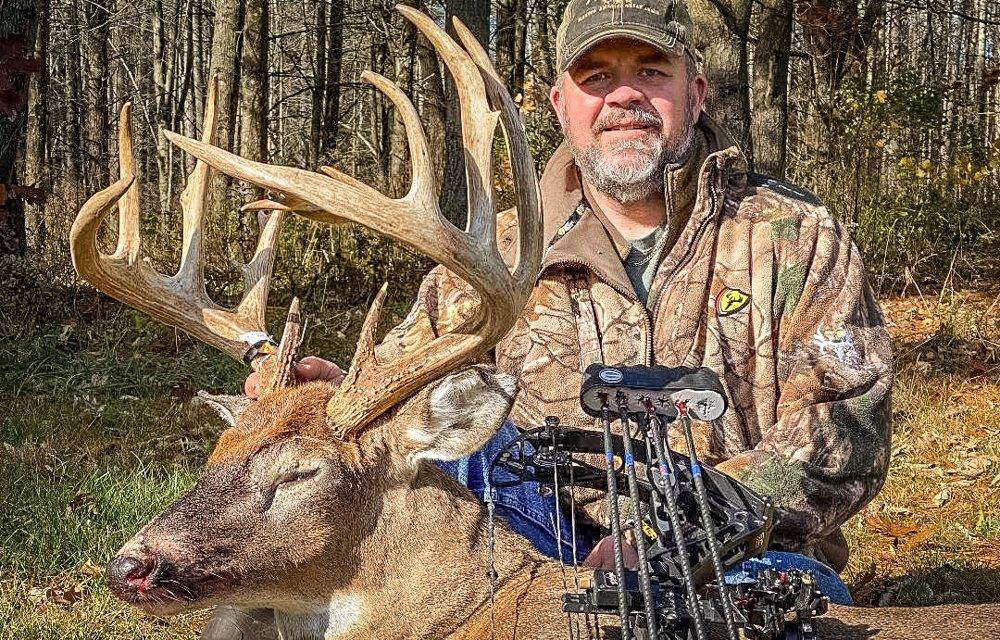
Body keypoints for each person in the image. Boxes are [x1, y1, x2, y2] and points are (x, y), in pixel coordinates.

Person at [219, 0, 891, 635]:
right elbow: (413, 401)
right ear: (560, 105)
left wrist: (668, 537)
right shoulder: (498, 253)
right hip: (531, 546)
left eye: (651, 73)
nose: (623, 97)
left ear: (696, 94)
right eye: (596, 78)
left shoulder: (795, 236)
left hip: (737, 553)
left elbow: (844, 431)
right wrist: (344, 397)